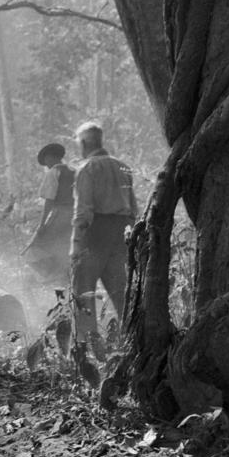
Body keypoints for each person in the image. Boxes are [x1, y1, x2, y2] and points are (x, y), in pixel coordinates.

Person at [70, 121, 138, 357]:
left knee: (83, 292)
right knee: (121, 293)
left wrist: (76, 246)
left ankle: (90, 350)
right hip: (121, 234)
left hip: (95, 233)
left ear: (85, 143)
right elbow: (133, 211)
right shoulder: (123, 167)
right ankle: (132, 345)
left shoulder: (87, 169)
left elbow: (83, 212)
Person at [23, 142, 75, 283]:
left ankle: (55, 275)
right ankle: (66, 275)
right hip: (77, 216)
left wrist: (42, 225)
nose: (45, 164)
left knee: (34, 248)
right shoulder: (75, 171)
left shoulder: (54, 172)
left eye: (45, 160)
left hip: (61, 216)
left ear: (51, 157)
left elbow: (49, 200)